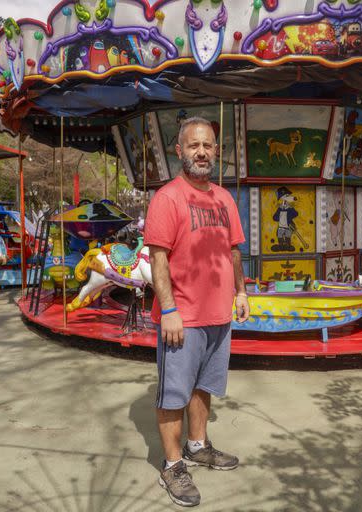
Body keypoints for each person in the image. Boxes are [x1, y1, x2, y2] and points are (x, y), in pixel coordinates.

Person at [144, 117, 250, 507]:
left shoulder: (223, 199)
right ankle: (172, 465)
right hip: (182, 317)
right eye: (193, 146)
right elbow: (158, 257)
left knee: (204, 386)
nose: (201, 152)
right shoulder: (168, 198)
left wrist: (240, 291)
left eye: (207, 145)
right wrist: (169, 308)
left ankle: (197, 445)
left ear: (216, 151)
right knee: (174, 394)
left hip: (218, 315)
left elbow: (234, 250)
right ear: (179, 150)